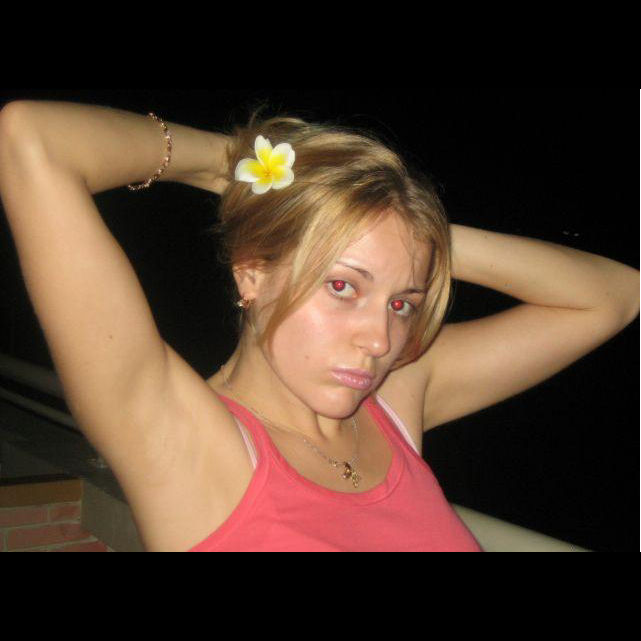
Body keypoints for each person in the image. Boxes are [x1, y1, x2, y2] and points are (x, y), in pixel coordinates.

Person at [0, 99, 638, 552]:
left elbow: (614, 297)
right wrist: (247, 172)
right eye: (343, 287)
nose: (380, 341)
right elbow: (31, 139)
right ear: (252, 273)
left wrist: (403, 232)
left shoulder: (391, 402)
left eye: (402, 303)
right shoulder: (185, 441)